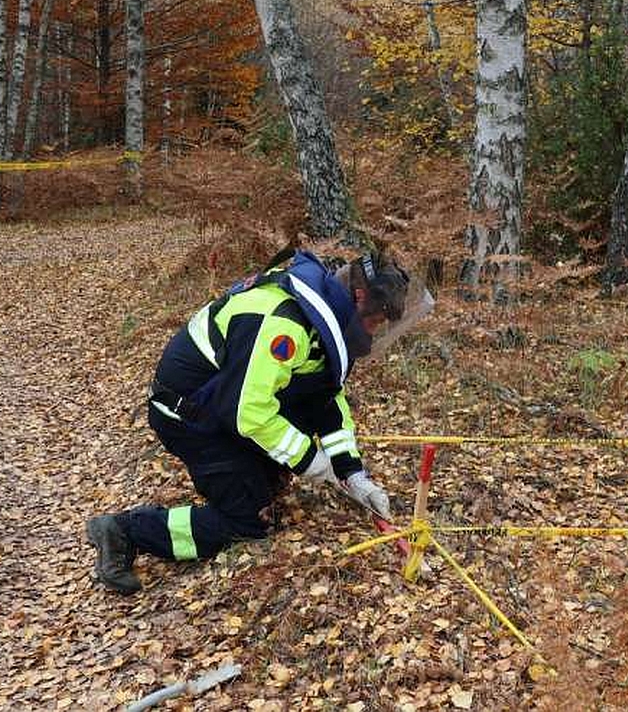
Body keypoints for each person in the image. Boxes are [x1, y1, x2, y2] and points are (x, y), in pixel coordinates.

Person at [87, 249, 427, 594]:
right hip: (189, 417)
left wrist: (351, 473)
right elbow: (249, 412)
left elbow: (325, 399)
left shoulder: (319, 323)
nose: (373, 334)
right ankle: (125, 531)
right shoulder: (285, 323)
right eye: (376, 322)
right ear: (359, 298)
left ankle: (252, 473)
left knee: (270, 481)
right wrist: (309, 460)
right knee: (249, 519)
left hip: (223, 405)